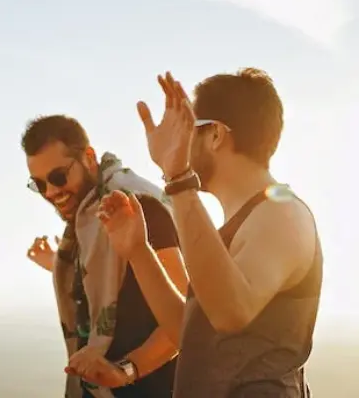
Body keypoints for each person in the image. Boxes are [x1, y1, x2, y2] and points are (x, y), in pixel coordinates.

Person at [94, 69, 323, 397]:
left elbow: (230, 312)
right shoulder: (240, 223)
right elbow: (192, 333)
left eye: (188, 129)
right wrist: (138, 251)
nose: (179, 143)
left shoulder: (281, 213)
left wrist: (178, 177)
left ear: (215, 135)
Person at [22, 115, 189, 398]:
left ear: (88, 157)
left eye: (58, 177)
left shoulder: (139, 207)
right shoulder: (86, 223)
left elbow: (186, 320)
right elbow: (109, 283)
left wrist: (126, 371)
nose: (50, 192)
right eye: (39, 184)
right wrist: (56, 265)